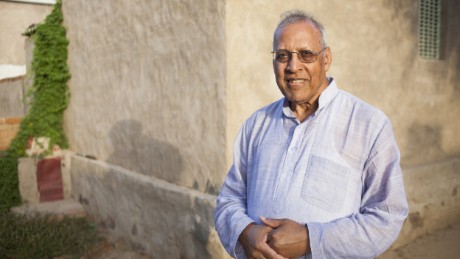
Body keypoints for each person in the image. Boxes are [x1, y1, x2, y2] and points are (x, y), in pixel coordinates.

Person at [214, 9, 408, 259]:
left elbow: (387, 216)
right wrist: (245, 232)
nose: (293, 67)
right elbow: (228, 200)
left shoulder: (367, 124)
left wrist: (310, 239)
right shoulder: (256, 124)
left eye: (306, 54)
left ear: (326, 59)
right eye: (283, 56)